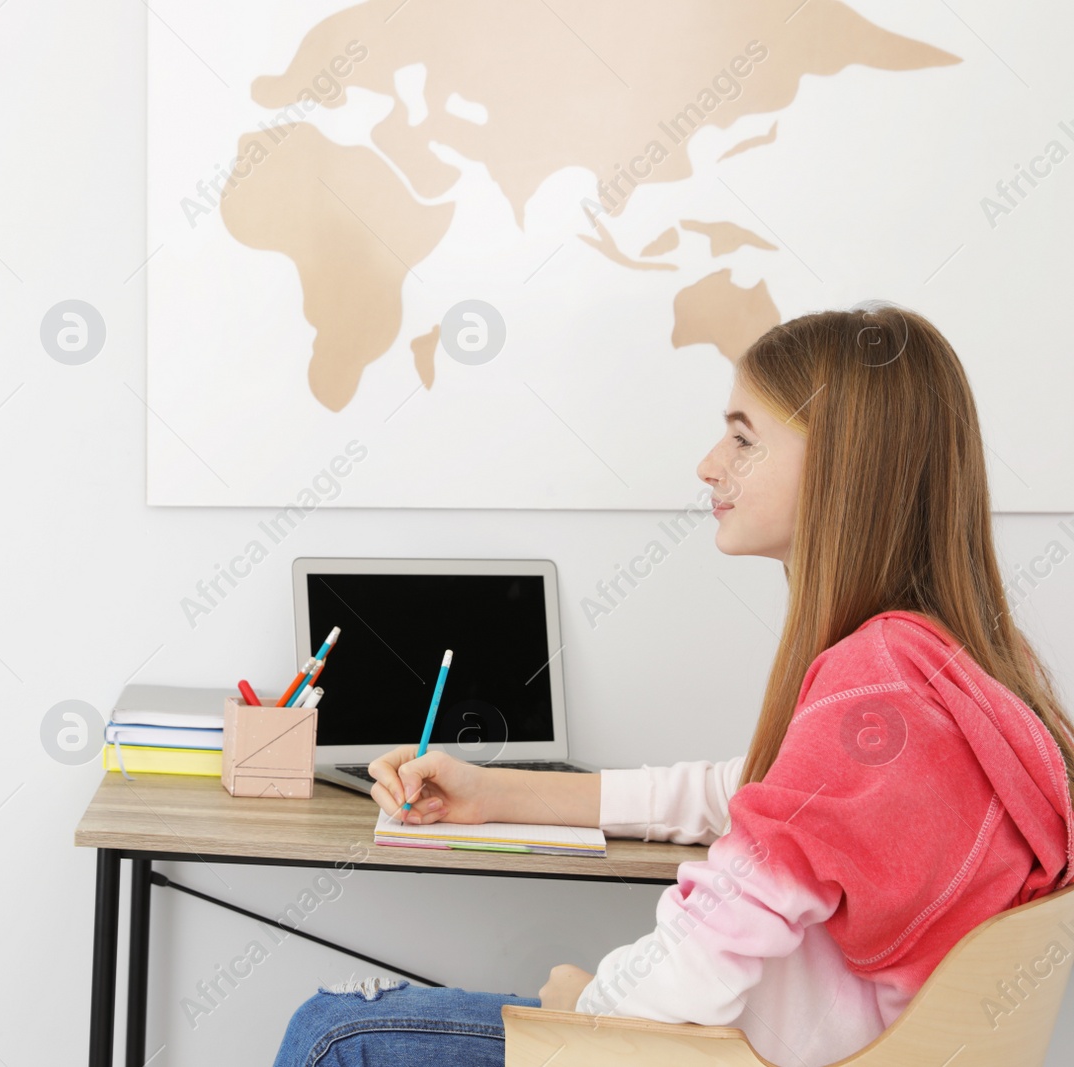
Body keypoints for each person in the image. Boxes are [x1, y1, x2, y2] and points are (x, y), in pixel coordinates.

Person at [270, 303, 1074, 1067]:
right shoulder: (957, 678)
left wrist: (585, 1006)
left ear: (843, 465)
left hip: (728, 1055)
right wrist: (494, 792)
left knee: (335, 1036)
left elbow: (710, 941)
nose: (709, 465)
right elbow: (755, 792)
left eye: (743, 437)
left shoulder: (876, 683)